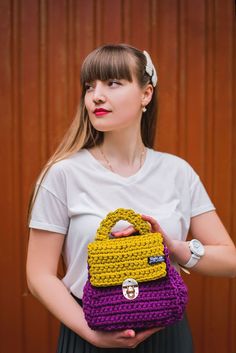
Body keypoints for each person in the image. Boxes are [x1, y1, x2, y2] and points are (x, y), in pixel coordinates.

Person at [26, 43, 236, 353]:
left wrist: (173, 247)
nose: (96, 95)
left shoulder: (178, 172)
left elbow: (231, 260)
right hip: (88, 334)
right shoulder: (62, 174)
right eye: (89, 86)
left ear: (146, 94)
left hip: (167, 337)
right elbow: (38, 275)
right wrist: (93, 335)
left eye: (113, 83)